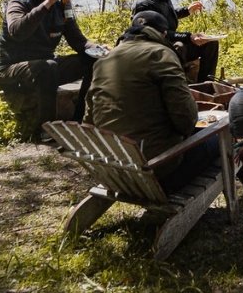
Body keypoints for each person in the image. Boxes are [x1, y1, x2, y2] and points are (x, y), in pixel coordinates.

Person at [84, 11, 216, 192]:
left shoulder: (104, 60)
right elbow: (186, 121)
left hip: (115, 169)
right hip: (158, 171)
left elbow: (89, 121)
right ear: (162, 34)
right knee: (220, 136)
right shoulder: (161, 55)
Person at [0, 0, 101, 141]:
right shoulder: (19, 4)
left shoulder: (60, 8)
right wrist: (48, 3)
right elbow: (17, 32)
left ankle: (80, 120)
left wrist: (98, 49)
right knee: (48, 67)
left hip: (45, 68)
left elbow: (78, 41)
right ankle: (45, 129)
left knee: (92, 60)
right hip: (11, 69)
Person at [132, 0, 220, 82]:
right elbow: (158, 33)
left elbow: (164, 16)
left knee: (210, 43)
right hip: (155, 47)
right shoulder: (146, 2)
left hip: (167, 40)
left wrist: (187, 11)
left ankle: (205, 85)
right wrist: (189, 36)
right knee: (180, 47)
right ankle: (178, 83)